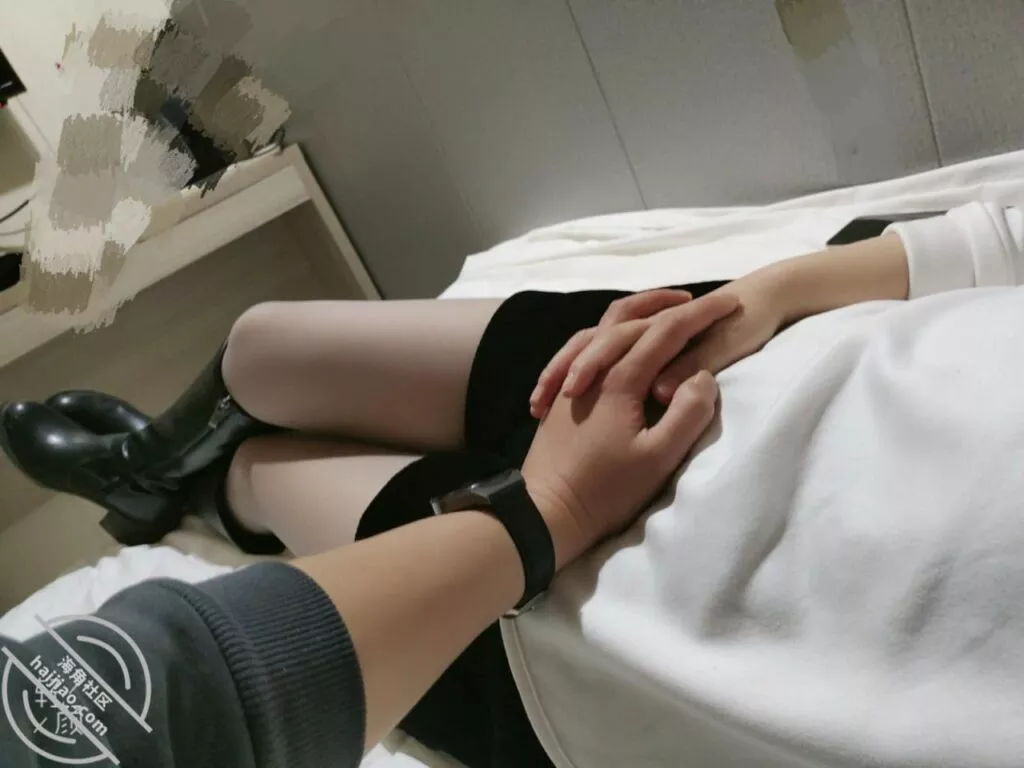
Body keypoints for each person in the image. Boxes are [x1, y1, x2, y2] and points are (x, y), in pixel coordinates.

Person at [4, 199, 1024, 767]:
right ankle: (151, 466)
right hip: (729, 368)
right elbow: (1000, 237)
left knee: (269, 470)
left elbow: (190, 709)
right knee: (262, 349)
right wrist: (769, 294)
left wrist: (554, 510)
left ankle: (183, 487)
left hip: (617, 626)